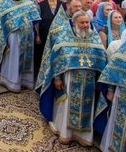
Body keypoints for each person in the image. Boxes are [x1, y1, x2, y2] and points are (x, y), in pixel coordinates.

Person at [36, 10, 107, 146]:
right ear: (74, 23)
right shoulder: (64, 38)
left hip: (89, 81)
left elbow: (102, 59)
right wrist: (57, 78)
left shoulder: (94, 37)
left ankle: (84, 135)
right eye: (82, 22)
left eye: (87, 22)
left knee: (87, 106)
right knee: (67, 105)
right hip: (69, 79)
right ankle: (65, 133)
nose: (85, 25)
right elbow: (56, 60)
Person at [0, 0, 40, 92]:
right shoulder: (6, 5)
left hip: (28, 35)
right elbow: (0, 25)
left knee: (26, 58)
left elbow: (34, 18)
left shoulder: (27, 2)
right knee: (14, 58)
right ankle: (11, 82)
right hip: (14, 38)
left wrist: (37, 34)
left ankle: (25, 81)